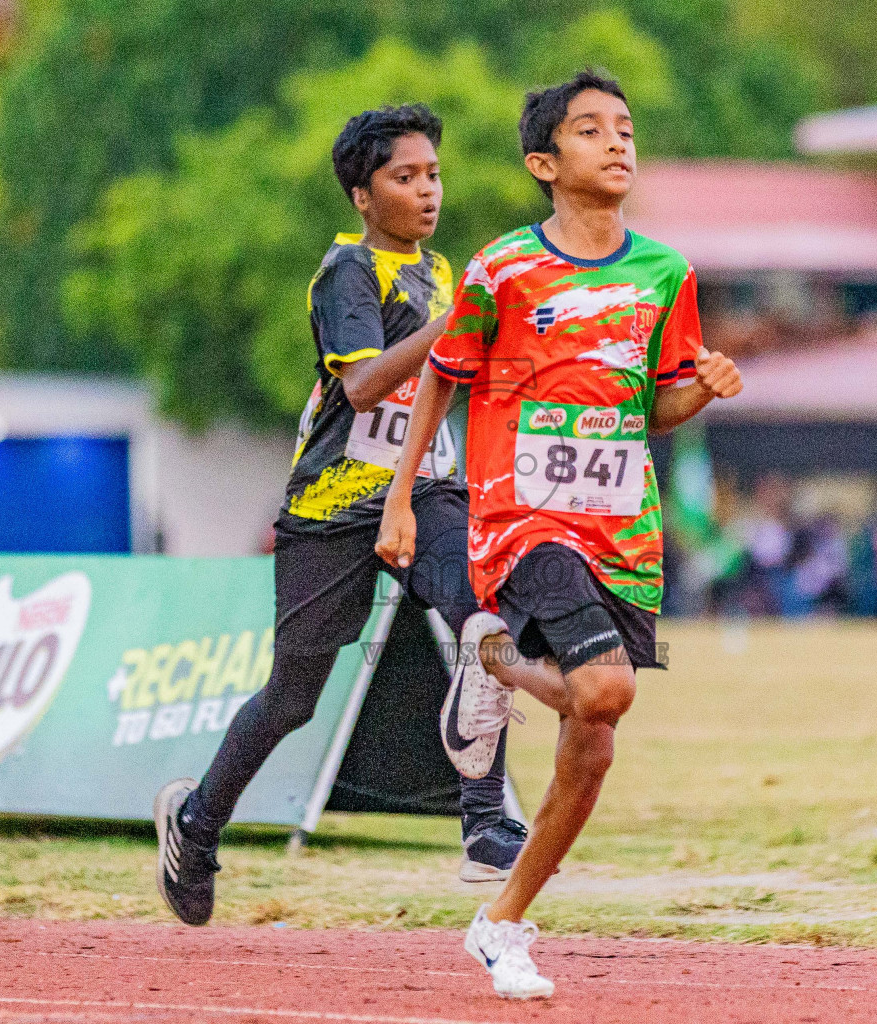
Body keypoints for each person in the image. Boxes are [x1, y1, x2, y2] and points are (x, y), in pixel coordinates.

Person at [375, 71, 743, 1000]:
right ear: (545, 162)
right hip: (523, 516)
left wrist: (703, 388)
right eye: (590, 131)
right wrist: (403, 498)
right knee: (605, 685)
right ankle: (497, 664)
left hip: (623, 526)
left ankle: (502, 923)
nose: (617, 143)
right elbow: (439, 379)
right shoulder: (503, 269)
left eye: (624, 128)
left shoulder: (668, 275)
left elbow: (656, 409)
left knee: (598, 727)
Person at [153, 103, 560, 928]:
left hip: (428, 489)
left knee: (483, 617)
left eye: (434, 174)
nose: (427, 191)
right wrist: (455, 329)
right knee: (293, 698)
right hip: (333, 506)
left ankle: (484, 822)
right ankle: (195, 827)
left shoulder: (443, 272)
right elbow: (365, 386)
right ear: (362, 197)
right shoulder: (348, 274)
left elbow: (459, 382)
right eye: (404, 178)